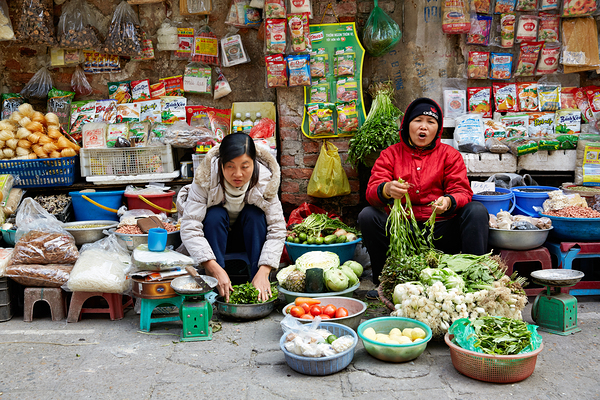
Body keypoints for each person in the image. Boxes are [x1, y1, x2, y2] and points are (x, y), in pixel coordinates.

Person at [357, 97, 489, 299]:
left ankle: (473, 279)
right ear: (407, 124)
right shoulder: (390, 155)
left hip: (441, 229)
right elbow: (372, 191)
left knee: (477, 210)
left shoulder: (450, 155)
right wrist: (386, 190)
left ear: (438, 128)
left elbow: (462, 192)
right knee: (368, 215)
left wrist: (448, 202)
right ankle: (385, 281)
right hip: (403, 230)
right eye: (418, 120)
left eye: (431, 122)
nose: (424, 127)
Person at [178, 133, 286, 302]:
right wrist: (214, 268)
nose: (238, 174)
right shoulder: (206, 177)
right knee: (214, 215)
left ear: (254, 163)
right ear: (221, 164)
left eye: (245, 166)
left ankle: (257, 284)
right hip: (213, 241)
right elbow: (190, 227)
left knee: (255, 215)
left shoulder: (265, 181)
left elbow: (277, 229)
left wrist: (265, 270)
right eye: (230, 166)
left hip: (248, 238)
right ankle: (215, 285)